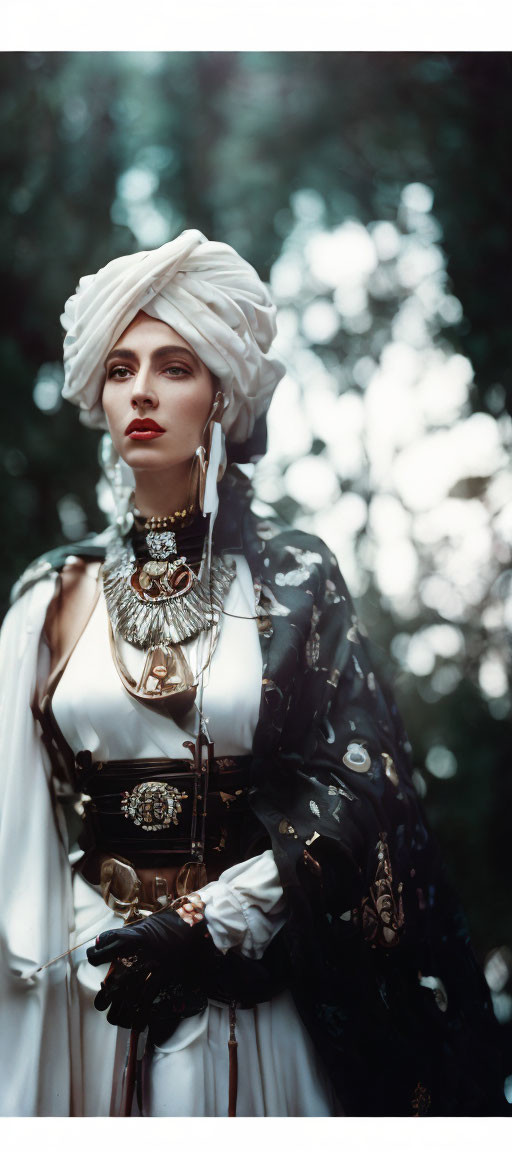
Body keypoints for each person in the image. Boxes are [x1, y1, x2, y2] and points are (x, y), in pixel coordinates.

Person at [0, 229, 506, 1118]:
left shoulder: (293, 576)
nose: (142, 393)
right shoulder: (50, 595)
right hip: (89, 988)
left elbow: (361, 783)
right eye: (120, 370)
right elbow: (15, 820)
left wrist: (211, 924)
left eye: (174, 367)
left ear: (221, 395)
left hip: (253, 991)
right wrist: (73, 948)